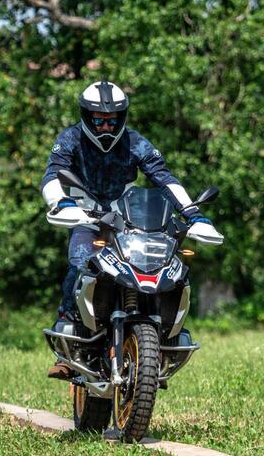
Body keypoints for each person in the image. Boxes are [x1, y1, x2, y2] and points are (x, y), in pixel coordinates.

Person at [40, 80, 222, 379]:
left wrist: (193, 214)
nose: (106, 127)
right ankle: (67, 341)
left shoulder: (136, 142)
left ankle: (164, 335)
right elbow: (52, 174)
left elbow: (163, 177)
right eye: (99, 120)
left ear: (123, 117)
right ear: (87, 116)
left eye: (112, 120)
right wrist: (60, 202)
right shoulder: (70, 139)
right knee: (79, 264)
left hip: (127, 217)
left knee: (161, 266)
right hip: (85, 216)